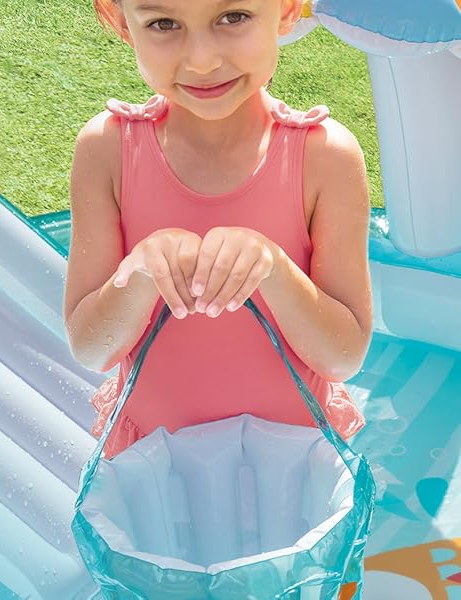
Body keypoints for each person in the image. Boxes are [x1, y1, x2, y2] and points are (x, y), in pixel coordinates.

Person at [64, 0, 372, 461]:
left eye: (234, 17)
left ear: (287, 8)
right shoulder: (109, 151)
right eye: (164, 23)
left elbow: (342, 356)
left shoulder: (324, 159)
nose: (202, 59)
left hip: (292, 462)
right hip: (155, 462)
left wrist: (274, 269)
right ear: (121, 21)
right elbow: (91, 348)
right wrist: (141, 271)